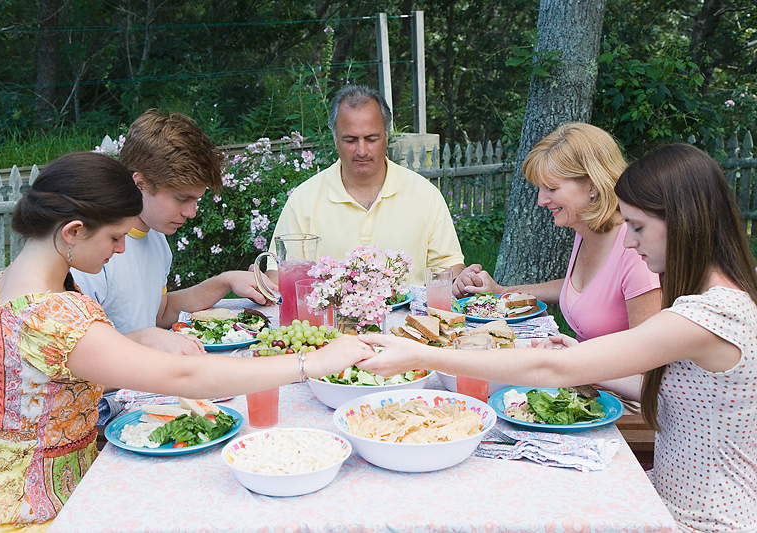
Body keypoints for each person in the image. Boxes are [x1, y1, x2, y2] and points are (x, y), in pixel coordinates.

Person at [0, 152, 367, 531]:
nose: (120, 249)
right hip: (27, 508)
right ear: (73, 231)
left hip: (8, 480)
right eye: (115, 237)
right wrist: (310, 364)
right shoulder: (52, 314)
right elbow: (183, 374)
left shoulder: (14, 281)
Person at [360, 143, 757, 532]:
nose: (630, 240)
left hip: (703, 521)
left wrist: (422, 356)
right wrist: (587, 358)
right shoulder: (711, 301)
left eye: (638, 227)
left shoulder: (709, 315)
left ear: (684, 221)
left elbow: (553, 368)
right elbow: (662, 385)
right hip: (663, 497)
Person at [72, 111, 277, 355]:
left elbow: (160, 313)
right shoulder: (91, 252)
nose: (191, 212)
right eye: (182, 199)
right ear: (140, 185)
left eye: (196, 200)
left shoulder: (156, 238)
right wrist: (144, 340)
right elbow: (73, 356)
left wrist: (225, 281)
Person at [454, 123, 661, 341]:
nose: (541, 200)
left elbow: (649, 355)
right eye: (540, 188)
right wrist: (502, 290)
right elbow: (586, 290)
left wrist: (569, 360)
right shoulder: (585, 229)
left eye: (551, 188)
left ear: (592, 186)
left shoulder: (635, 249)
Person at [266, 85, 465, 287]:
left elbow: (449, 269)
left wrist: (463, 281)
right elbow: (278, 275)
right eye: (350, 140)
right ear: (335, 140)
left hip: (411, 318)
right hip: (327, 318)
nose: (361, 150)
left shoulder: (425, 195)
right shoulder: (304, 200)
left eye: (371, 139)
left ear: (387, 136)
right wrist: (262, 282)